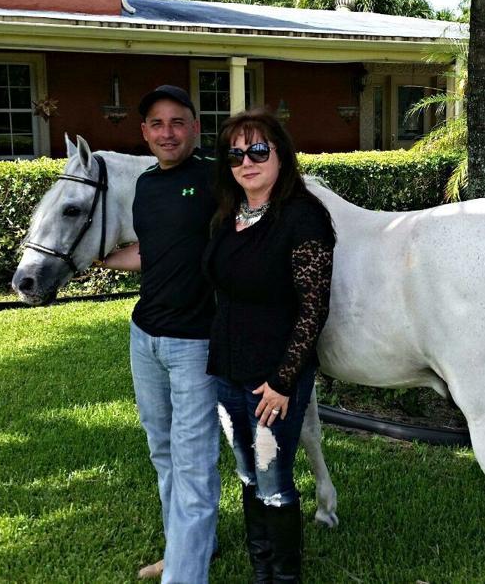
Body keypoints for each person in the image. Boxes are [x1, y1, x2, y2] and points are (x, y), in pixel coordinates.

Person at [203, 109, 335, 583]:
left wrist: (282, 383)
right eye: (235, 153)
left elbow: (313, 309)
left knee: (273, 483)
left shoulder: (303, 218)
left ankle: (283, 578)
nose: (247, 161)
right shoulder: (227, 216)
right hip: (227, 373)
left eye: (259, 150)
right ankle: (262, 570)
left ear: (281, 155)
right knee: (246, 474)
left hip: (272, 383)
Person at [98, 85, 219, 583]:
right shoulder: (147, 186)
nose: (167, 132)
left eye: (177, 122)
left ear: (193, 127)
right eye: (157, 123)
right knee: (163, 450)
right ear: (144, 132)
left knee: (193, 460)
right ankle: (186, 550)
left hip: (195, 341)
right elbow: (152, 251)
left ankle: (184, 576)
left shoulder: (218, 179)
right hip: (144, 336)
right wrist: (99, 259)